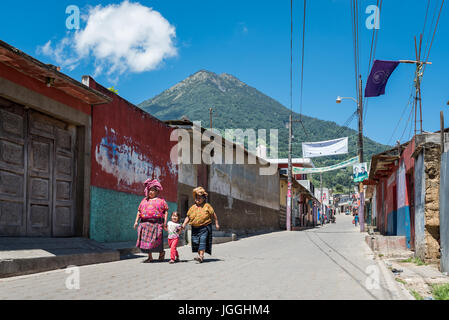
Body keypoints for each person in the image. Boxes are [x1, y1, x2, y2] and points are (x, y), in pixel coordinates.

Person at [134, 179, 168, 263]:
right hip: (145, 223)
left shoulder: (161, 201)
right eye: (150, 190)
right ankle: (150, 257)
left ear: (157, 192)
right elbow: (139, 211)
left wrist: (165, 222)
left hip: (156, 224)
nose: (151, 192)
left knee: (157, 241)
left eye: (153, 190)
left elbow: (165, 211)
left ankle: (161, 253)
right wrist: (136, 221)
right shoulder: (144, 201)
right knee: (146, 241)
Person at [182, 187, 220, 263]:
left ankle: (201, 256)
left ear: (204, 199)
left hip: (205, 227)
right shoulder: (192, 207)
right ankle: (200, 256)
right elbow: (188, 217)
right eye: (196, 198)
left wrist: (216, 223)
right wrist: (183, 224)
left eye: (200, 198)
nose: (197, 199)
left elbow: (213, 214)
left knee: (202, 240)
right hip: (195, 228)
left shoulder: (207, 206)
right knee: (196, 242)